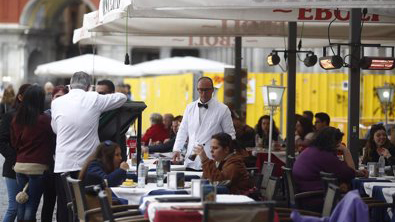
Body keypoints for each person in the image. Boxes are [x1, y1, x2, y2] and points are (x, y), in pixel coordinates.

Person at [51, 71, 127, 222]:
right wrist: (93, 93)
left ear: (70, 86)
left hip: (63, 162)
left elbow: (56, 129)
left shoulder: (56, 102)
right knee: (87, 205)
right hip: (86, 163)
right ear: (88, 86)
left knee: (64, 204)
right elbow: (122, 97)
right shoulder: (93, 98)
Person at [292, 127, 367, 212]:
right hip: (317, 201)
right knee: (358, 201)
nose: (338, 146)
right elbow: (350, 173)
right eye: (338, 143)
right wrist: (345, 150)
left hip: (304, 198)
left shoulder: (311, 151)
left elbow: (344, 172)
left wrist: (341, 184)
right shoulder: (324, 155)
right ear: (333, 142)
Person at [11, 85, 55, 221]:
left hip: (20, 165)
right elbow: (51, 141)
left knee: (22, 203)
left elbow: (14, 143)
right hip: (38, 167)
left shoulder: (17, 119)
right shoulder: (45, 120)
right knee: (32, 204)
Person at [172, 77, 236, 170]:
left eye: (206, 90)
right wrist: (177, 149)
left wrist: (227, 159)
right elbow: (183, 130)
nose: (203, 93)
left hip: (212, 160)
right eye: (201, 90)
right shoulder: (190, 107)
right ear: (197, 90)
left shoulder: (223, 109)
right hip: (192, 159)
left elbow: (230, 135)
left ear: (212, 90)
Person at [0, 83, 30, 222]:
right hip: (13, 167)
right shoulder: (10, 116)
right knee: (14, 207)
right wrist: (14, 157)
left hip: (32, 167)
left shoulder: (38, 117)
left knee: (27, 207)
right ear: (20, 97)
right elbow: (1, 141)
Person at [41, 85, 69, 222]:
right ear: (52, 98)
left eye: (64, 97)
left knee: (63, 202)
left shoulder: (70, 114)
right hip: (49, 162)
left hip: (64, 161)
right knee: (49, 200)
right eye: (58, 97)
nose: (61, 100)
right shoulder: (46, 116)